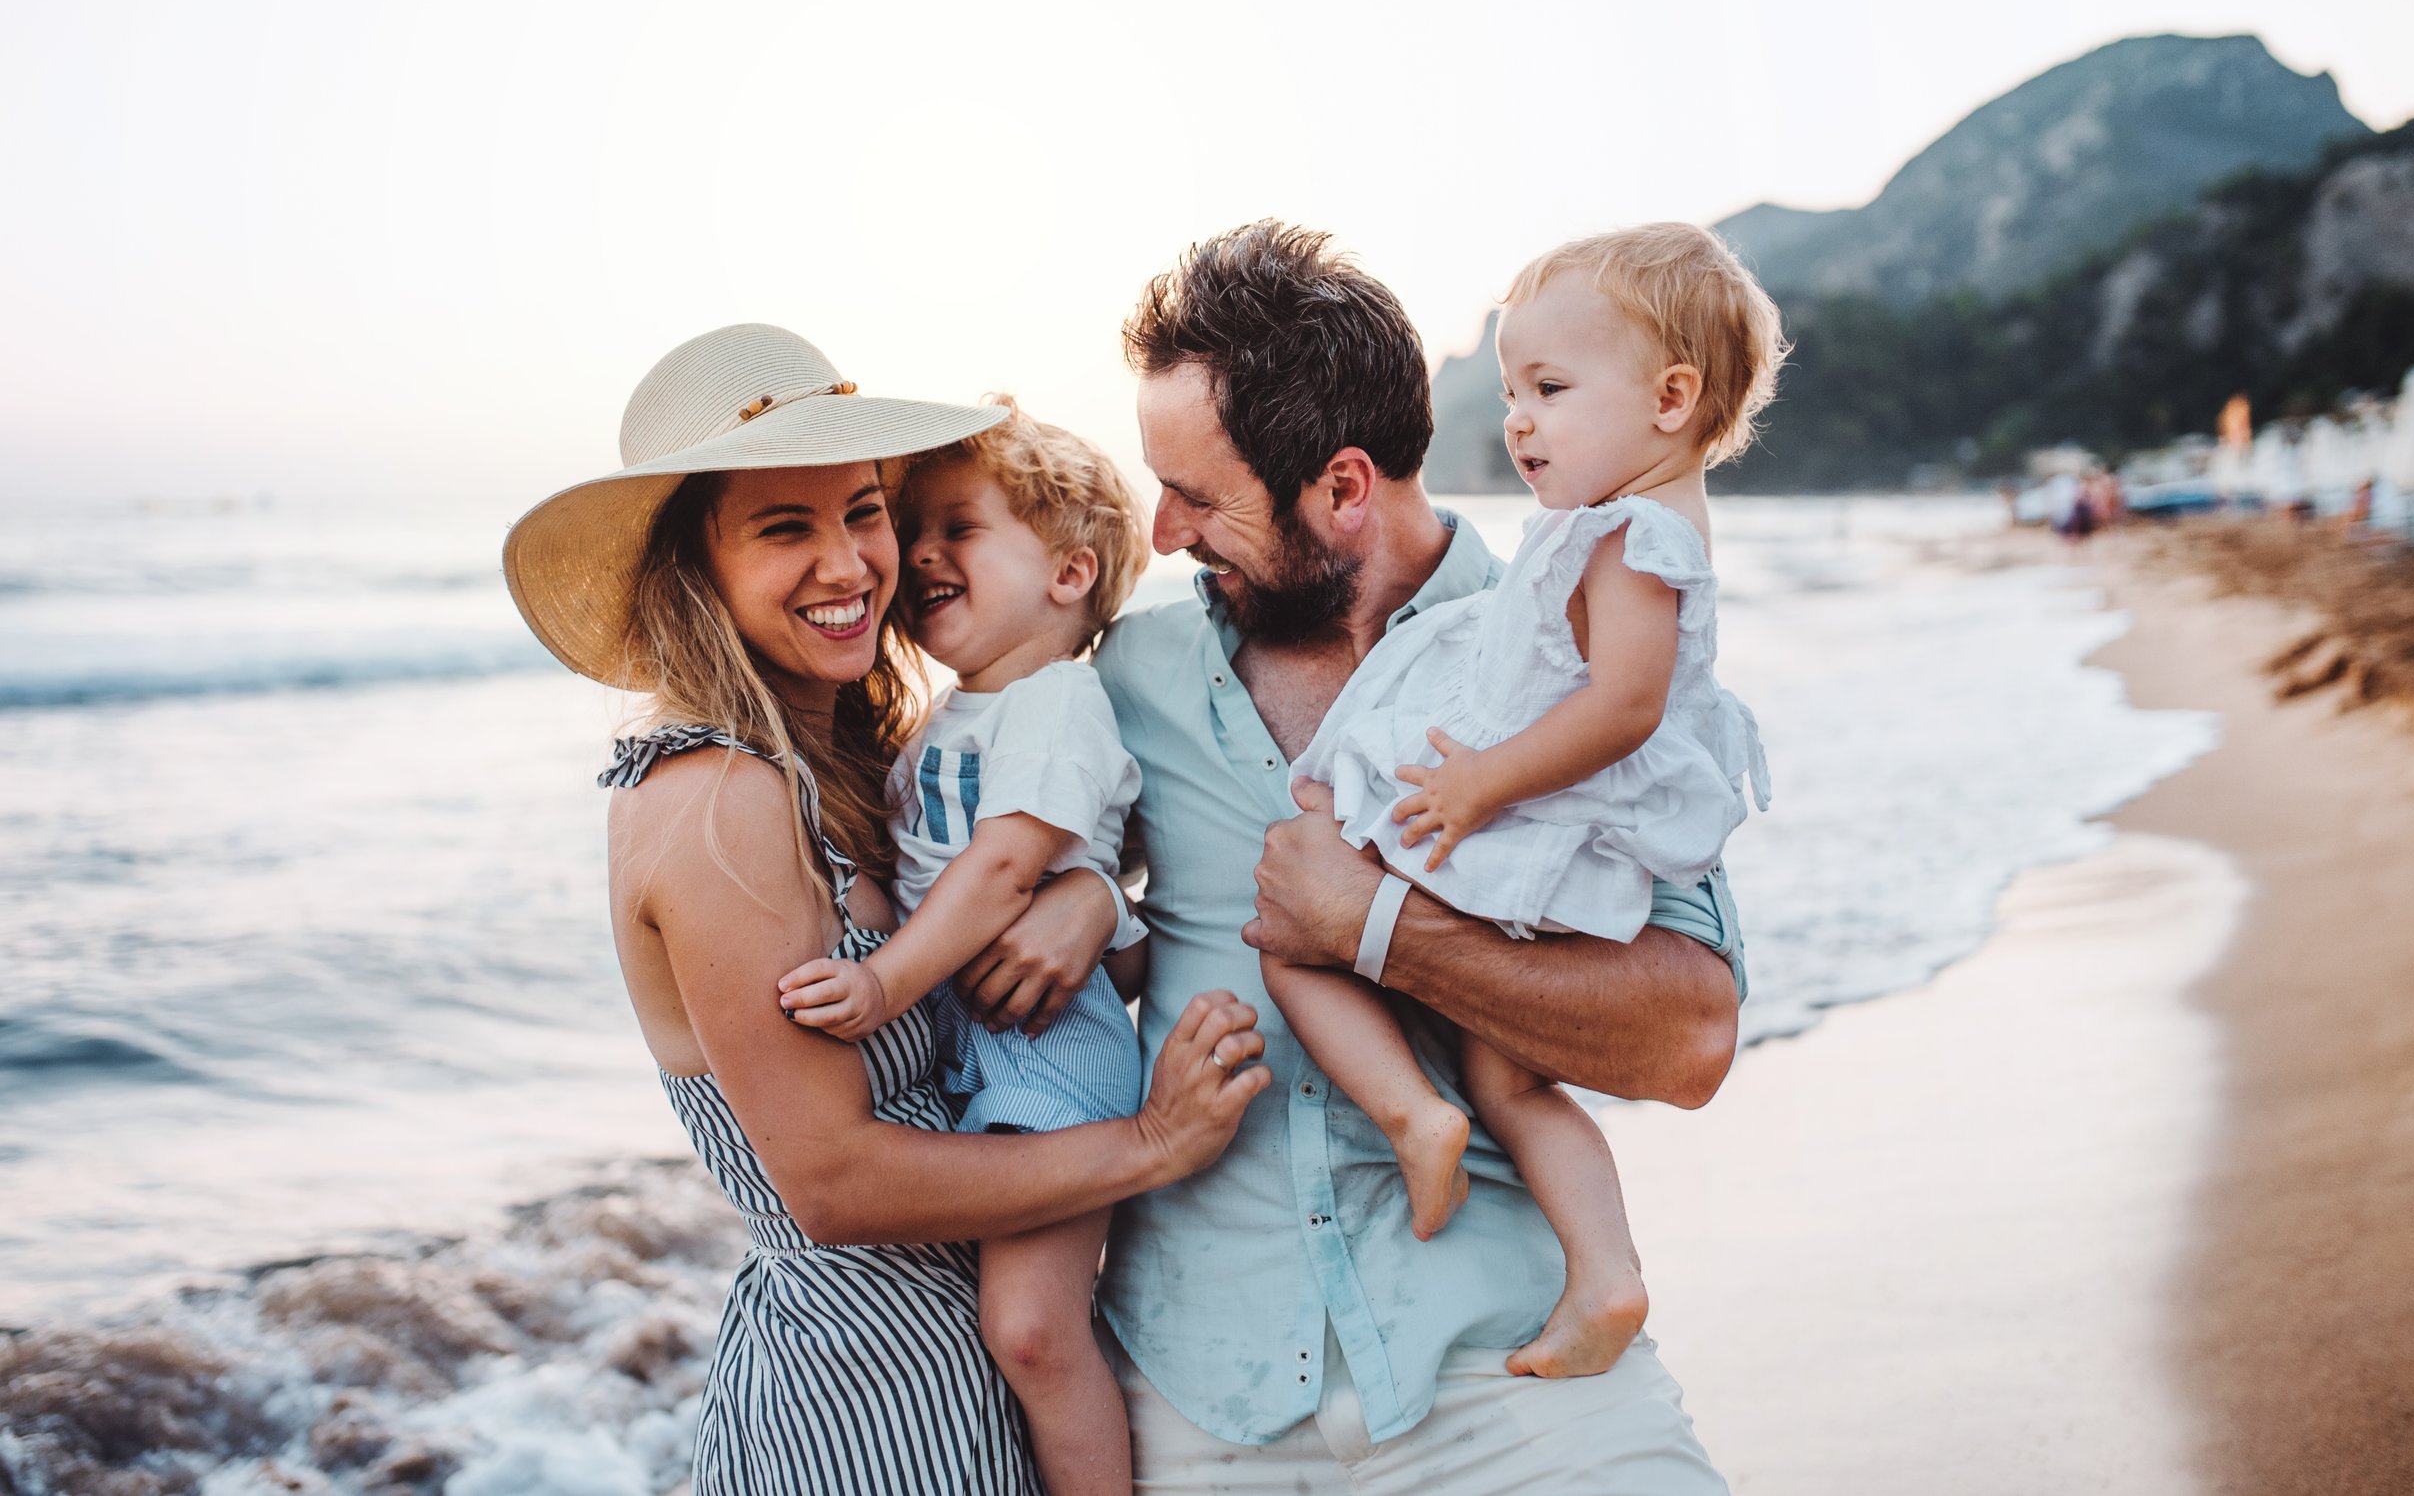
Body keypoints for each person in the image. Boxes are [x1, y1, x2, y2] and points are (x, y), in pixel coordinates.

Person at [500, 324, 1269, 1496]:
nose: (852, 563)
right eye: (782, 527)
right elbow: (835, 1184)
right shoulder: (715, 800)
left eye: (863, 512)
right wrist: (1151, 1144)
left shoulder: (858, 767)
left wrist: (1086, 902)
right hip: (861, 1410)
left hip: (971, 1380)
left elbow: (994, 921)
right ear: (693, 567)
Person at [1084, 223, 1746, 1492]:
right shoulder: (1126, 681)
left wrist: (1378, 927)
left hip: (1511, 1369)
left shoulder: (1574, 652)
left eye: (1200, 496)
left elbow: (1691, 1040)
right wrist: (1070, 909)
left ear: (1341, 488)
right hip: (1201, 1395)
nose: (1162, 535)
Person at [1274, 223, 1778, 1381]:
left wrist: (1477, 784)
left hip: (1534, 818)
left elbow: (1623, 708)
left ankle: (1412, 1116)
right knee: (1508, 1070)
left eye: (1549, 388)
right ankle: (1604, 1275)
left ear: (1670, 397)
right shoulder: (1624, 524)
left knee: (1297, 934)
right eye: (1511, 391)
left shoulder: (1636, 536)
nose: (1518, 420)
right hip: (1550, 820)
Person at [774, 401, 1153, 1496]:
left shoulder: (1054, 702)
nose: (921, 553)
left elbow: (998, 871)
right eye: (915, 527)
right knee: (1013, 1323)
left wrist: (885, 979)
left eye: (960, 528)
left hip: (1048, 1048)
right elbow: (905, 872)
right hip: (970, 1044)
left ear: (1069, 574)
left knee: (1031, 1331)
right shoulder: (951, 720)